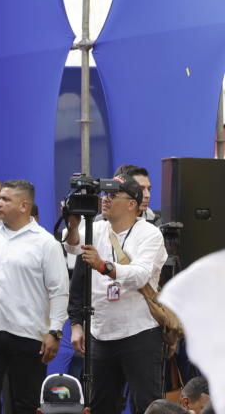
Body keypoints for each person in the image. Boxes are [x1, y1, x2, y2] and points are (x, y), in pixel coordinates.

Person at [65, 174, 168, 414]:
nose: (105, 200)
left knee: (146, 405)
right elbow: (71, 246)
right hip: (100, 334)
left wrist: (103, 266)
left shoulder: (150, 234)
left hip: (139, 333)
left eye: (112, 196)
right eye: (104, 195)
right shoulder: (97, 228)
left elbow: (140, 275)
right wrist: (72, 224)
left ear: (132, 204)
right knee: (100, 406)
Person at [0, 180, 69, 414]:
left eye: (5, 199)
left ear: (24, 205)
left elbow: (59, 290)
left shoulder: (46, 243)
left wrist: (55, 331)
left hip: (29, 335)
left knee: (25, 404)